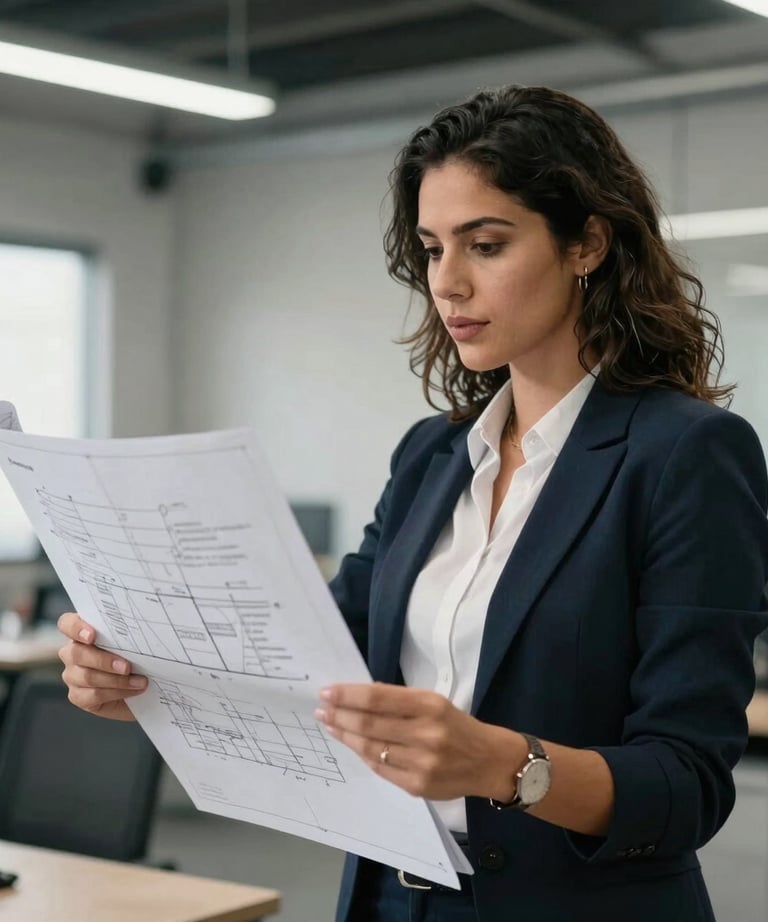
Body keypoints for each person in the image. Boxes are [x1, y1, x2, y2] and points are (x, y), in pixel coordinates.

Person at [58, 85, 768, 922]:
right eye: (433, 249)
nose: (449, 283)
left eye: (487, 244)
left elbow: (686, 785)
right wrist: (142, 672)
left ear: (587, 243)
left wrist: (507, 765)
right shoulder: (433, 453)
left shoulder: (686, 454)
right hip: (390, 899)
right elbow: (319, 661)